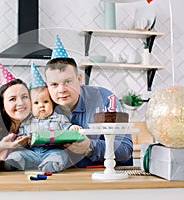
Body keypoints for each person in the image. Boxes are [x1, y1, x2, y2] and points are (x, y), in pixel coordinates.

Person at [43, 36, 133, 167]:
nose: (61, 90)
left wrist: (90, 146)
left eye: (67, 82)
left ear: (79, 79)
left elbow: (125, 149)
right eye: (54, 84)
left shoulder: (105, 99)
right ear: (47, 85)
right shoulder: (42, 106)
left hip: (108, 174)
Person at [3, 63, 82, 172]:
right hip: (32, 152)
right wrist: (21, 140)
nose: (41, 105)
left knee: (60, 155)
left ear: (52, 103)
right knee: (18, 154)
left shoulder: (60, 118)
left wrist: (73, 128)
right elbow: (21, 138)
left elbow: (67, 128)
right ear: (30, 106)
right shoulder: (26, 122)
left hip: (52, 150)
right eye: (36, 103)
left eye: (45, 102)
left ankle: (50, 166)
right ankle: (12, 163)